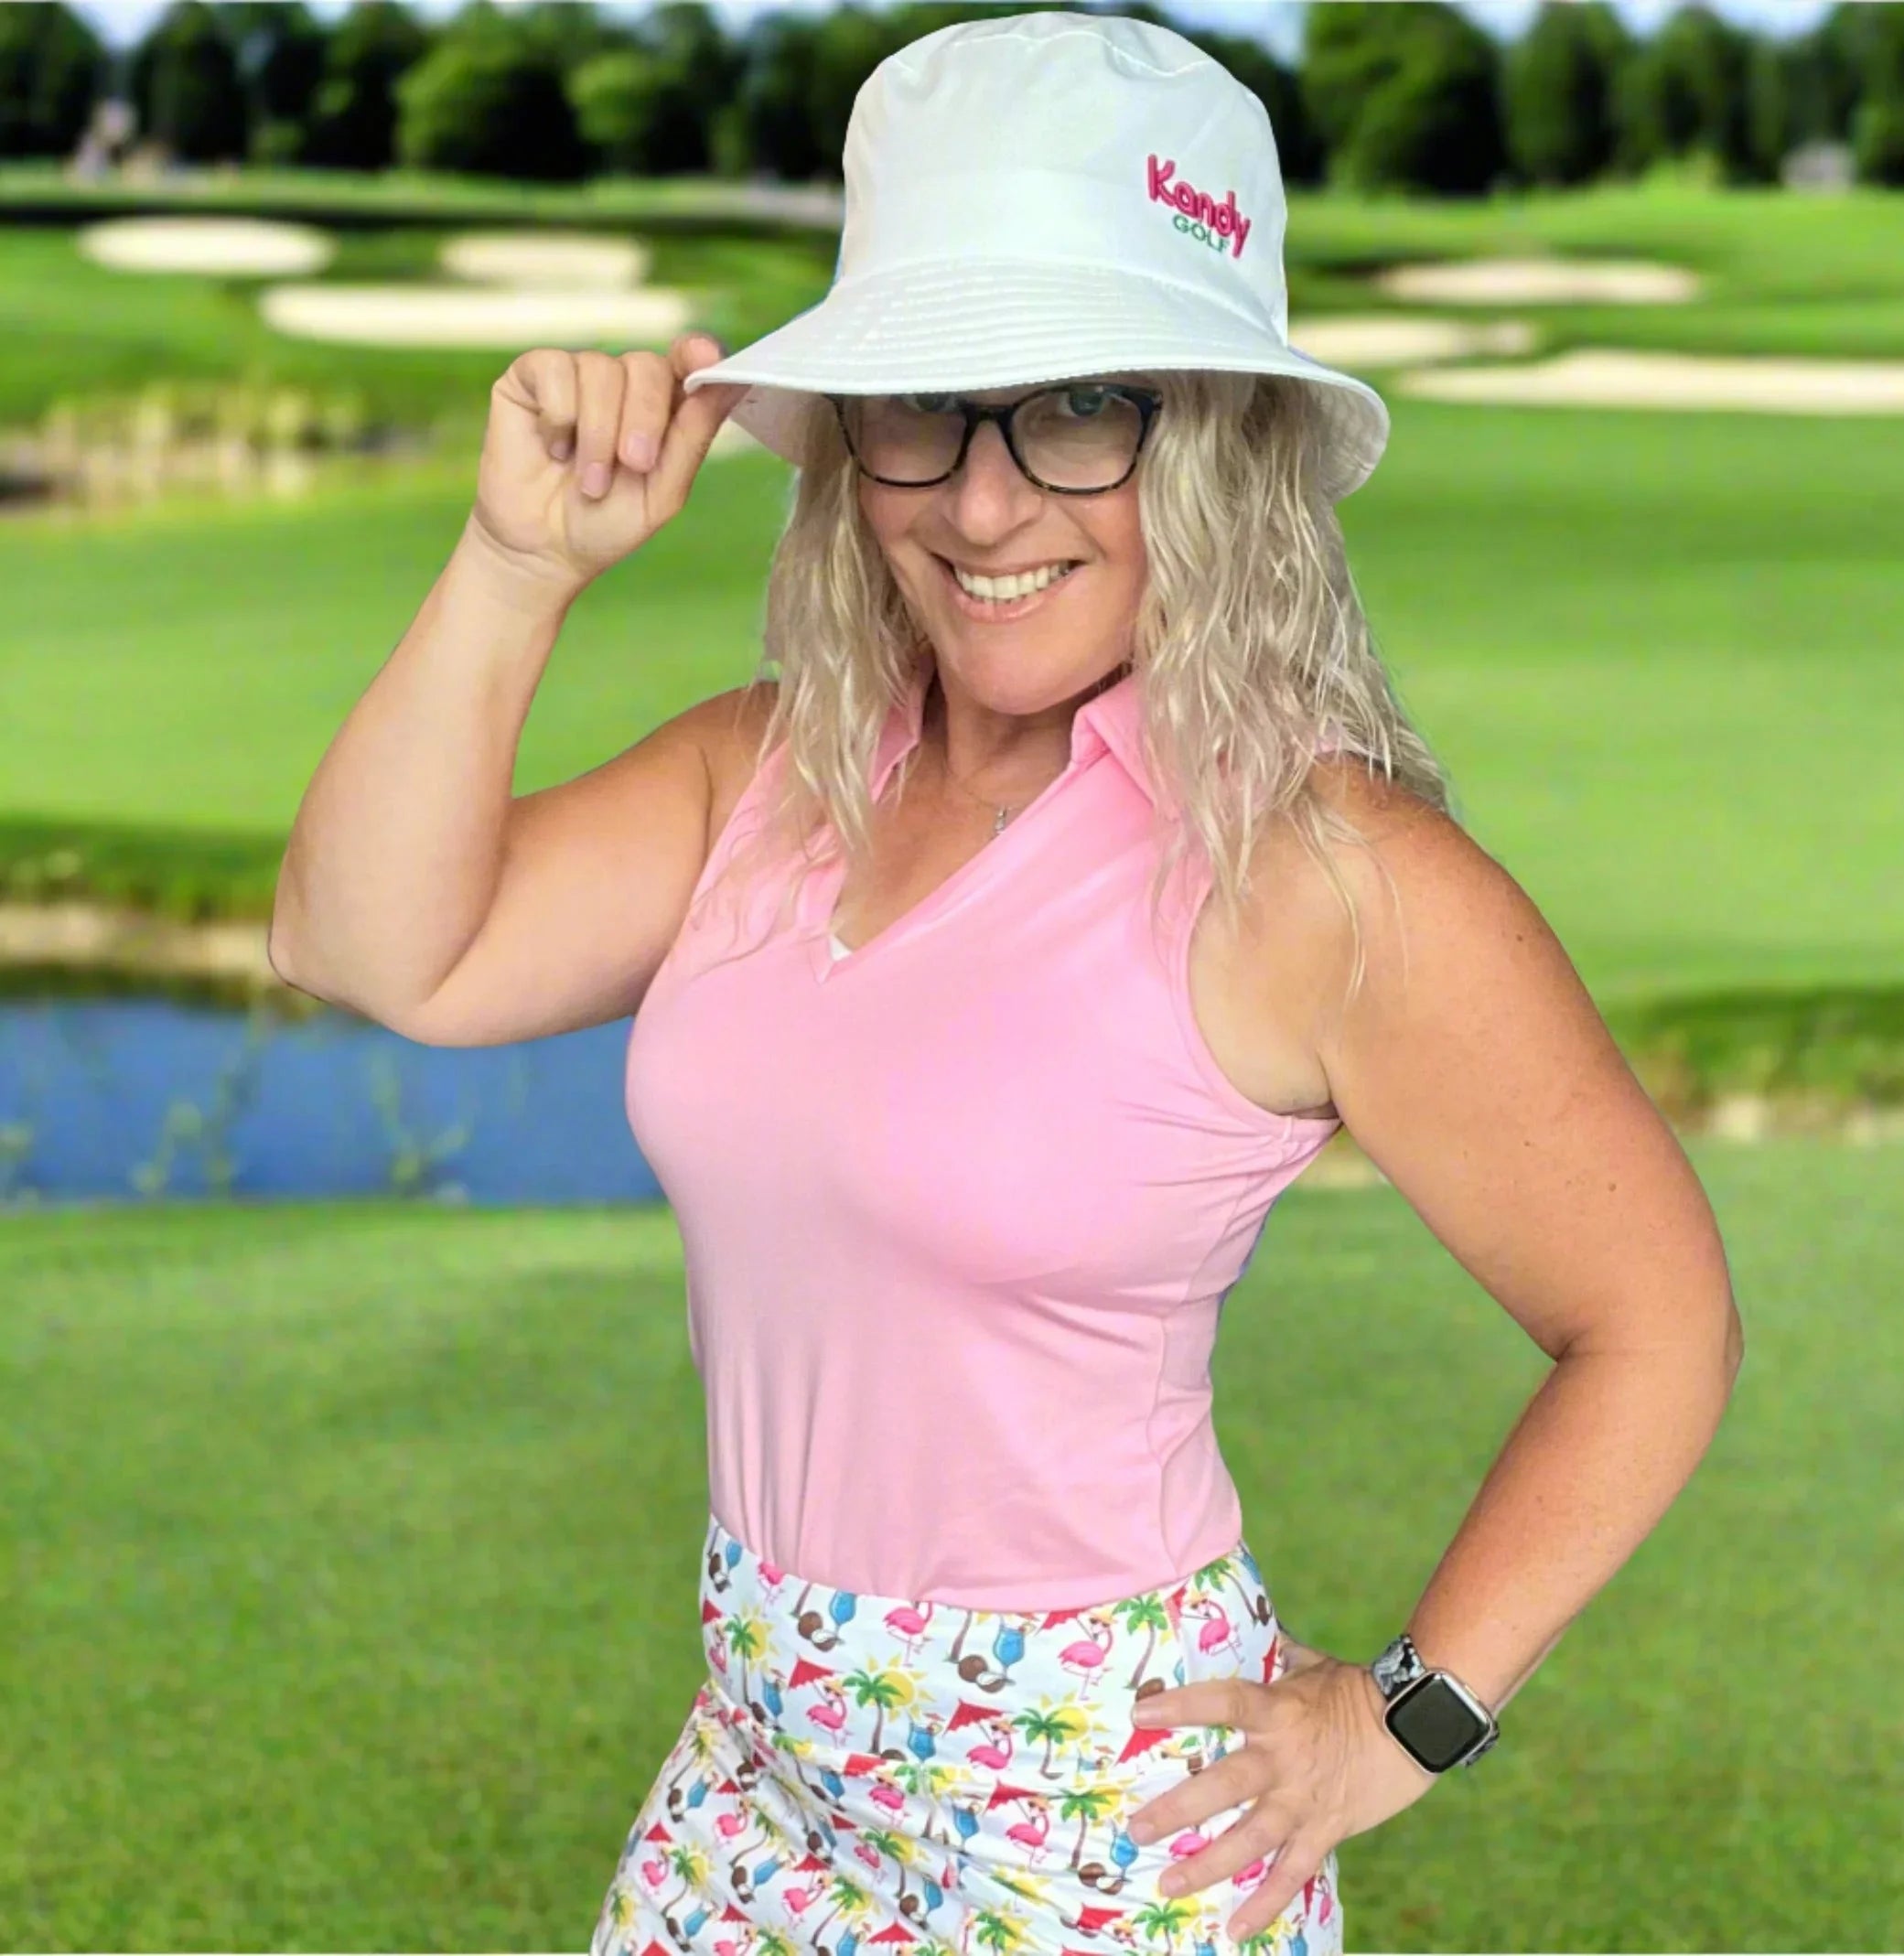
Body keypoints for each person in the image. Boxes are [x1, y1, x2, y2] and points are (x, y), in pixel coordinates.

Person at [268, 14, 1743, 1954]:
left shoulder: (1320, 875)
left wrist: (1404, 1720)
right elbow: (380, 947)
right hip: (759, 1756)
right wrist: (512, 565)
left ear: (1213, 430)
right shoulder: (766, 770)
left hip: (1084, 1806)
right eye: (926, 408)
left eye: (1080, 407)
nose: (981, 504)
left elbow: (1653, 1323)